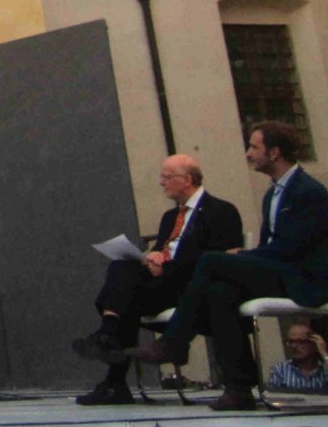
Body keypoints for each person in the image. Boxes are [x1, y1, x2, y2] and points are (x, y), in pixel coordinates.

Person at [127, 121, 328, 412]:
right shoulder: (274, 193)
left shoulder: (307, 192)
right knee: (221, 292)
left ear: (273, 153)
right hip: (285, 271)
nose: (248, 153)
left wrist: (245, 255)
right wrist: (247, 255)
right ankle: (239, 387)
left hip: (307, 280)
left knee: (211, 261)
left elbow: (290, 249)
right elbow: (278, 249)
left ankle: (174, 342)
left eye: (253, 147)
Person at [69, 153, 243, 405]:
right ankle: (110, 337)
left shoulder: (221, 211)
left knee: (126, 295)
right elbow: (164, 249)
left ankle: (113, 366)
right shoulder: (169, 217)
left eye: (167, 177)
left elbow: (217, 260)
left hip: (192, 288)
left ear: (187, 180)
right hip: (162, 284)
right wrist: (153, 257)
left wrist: (167, 266)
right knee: (122, 268)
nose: (162, 182)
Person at [266, 317, 328, 393]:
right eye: (291, 342)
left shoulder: (326, 370)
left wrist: (325, 355)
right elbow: (271, 399)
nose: (294, 346)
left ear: (314, 344)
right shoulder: (280, 370)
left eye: (301, 342)